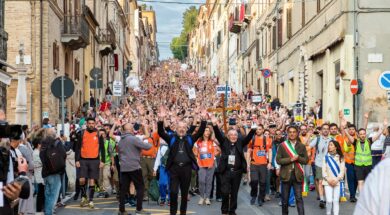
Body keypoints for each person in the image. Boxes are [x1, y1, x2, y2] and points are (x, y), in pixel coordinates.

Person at [157, 108, 207, 215]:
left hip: (186, 169)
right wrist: (161, 120)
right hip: (174, 169)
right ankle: (173, 213)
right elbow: (161, 132)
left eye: (184, 127)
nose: (182, 129)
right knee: (174, 192)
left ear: (186, 129)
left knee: (184, 194)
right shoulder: (171, 138)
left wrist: (203, 120)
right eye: (180, 127)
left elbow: (200, 132)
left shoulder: (190, 138)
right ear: (176, 129)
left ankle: (183, 212)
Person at [211, 116, 256, 215]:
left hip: (237, 172)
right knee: (225, 192)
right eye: (231, 135)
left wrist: (253, 129)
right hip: (225, 172)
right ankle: (224, 210)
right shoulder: (224, 142)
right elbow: (218, 134)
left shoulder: (240, 142)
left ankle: (232, 211)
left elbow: (248, 138)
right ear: (228, 136)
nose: (233, 137)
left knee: (234, 193)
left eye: (235, 135)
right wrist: (214, 125)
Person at [113, 121, 152, 215]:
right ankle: (139, 209)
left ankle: (121, 210)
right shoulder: (133, 139)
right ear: (130, 130)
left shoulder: (120, 140)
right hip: (134, 166)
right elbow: (147, 146)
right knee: (140, 188)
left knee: (123, 189)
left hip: (124, 167)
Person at [342, 117, 387, 192]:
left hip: (368, 165)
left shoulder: (369, 141)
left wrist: (384, 125)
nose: (362, 135)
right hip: (358, 166)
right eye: (361, 134)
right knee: (360, 182)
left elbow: (379, 133)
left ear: (365, 134)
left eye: (364, 134)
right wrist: (345, 128)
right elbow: (348, 136)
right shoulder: (355, 142)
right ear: (358, 135)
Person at [276, 126, 309, 215]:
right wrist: (290, 159)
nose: (292, 133)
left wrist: (298, 158)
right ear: (287, 133)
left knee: (299, 199)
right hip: (286, 175)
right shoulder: (282, 145)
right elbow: (278, 160)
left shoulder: (301, 146)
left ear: (297, 133)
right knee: (285, 200)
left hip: (297, 176)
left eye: (294, 132)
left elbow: (306, 160)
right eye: (290, 132)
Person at [75, 118, 106, 209]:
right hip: (83, 159)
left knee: (92, 180)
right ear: (87, 124)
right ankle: (84, 196)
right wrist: (77, 160)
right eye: (89, 123)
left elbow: (102, 148)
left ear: (95, 124)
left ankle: (91, 200)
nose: (91, 125)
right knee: (82, 180)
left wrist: (102, 160)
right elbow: (77, 148)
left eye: (93, 123)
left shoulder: (98, 133)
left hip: (94, 160)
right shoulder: (82, 133)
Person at [39, 127, 67, 215]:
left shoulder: (43, 143)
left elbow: (41, 157)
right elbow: (63, 154)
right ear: (54, 134)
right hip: (55, 173)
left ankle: (47, 212)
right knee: (53, 196)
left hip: (45, 173)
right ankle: (49, 213)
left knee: (48, 195)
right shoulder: (57, 142)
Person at [248, 124, 272, 206]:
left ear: (263, 130)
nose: (258, 130)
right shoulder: (252, 139)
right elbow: (248, 151)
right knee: (254, 182)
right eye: (257, 129)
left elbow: (270, 151)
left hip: (263, 164)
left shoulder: (268, 139)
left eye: (260, 129)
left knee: (263, 182)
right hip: (254, 164)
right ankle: (254, 195)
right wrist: (248, 164)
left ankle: (260, 198)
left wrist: (269, 162)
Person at [309, 123, 333, 208]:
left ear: (329, 130)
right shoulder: (317, 139)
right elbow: (309, 145)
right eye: (324, 129)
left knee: (327, 182)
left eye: (327, 129)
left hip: (329, 163)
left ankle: (327, 198)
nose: (326, 130)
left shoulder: (332, 139)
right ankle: (322, 199)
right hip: (319, 163)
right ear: (321, 130)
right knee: (320, 181)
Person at [322, 140, 345, 215]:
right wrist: (328, 179)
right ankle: (328, 213)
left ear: (336, 147)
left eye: (331, 145)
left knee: (335, 200)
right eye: (329, 145)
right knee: (329, 200)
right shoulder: (325, 157)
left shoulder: (340, 157)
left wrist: (336, 179)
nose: (329, 146)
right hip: (327, 181)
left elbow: (342, 171)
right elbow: (323, 171)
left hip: (337, 182)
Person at [195, 126, 216, 206]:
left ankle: (207, 198)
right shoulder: (198, 142)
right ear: (202, 132)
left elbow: (216, 152)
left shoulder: (212, 141)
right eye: (205, 130)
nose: (207, 132)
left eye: (208, 131)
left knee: (209, 182)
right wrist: (197, 159)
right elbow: (195, 151)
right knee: (201, 181)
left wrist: (212, 161)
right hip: (201, 164)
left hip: (211, 164)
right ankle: (201, 197)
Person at [153, 138, 170, 206]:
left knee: (171, 184)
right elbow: (158, 159)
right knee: (162, 184)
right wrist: (155, 169)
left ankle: (170, 199)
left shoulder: (174, 146)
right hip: (163, 168)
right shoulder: (161, 147)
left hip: (172, 168)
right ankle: (163, 198)